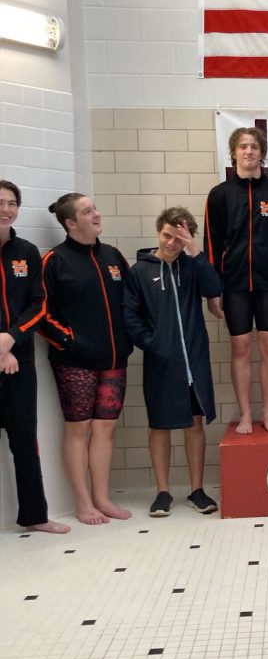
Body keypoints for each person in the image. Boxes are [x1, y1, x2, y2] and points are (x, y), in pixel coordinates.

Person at [39, 193, 133, 525]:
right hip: (74, 361)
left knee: (106, 429)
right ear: (70, 222)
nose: (96, 214)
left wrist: (129, 338)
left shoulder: (112, 256)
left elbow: (129, 302)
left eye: (95, 208)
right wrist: (68, 341)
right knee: (78, 430)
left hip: (113, 358)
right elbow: (40, 312)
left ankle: (102, 498)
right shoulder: (55, 260)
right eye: (87, 211)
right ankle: (83, 503)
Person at [124, 207, 222, 517]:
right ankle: (163, 491)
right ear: (158, 232)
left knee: (194, 422)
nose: (171, 243)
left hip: (193, 359)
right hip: (160, 360)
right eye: (168, 236)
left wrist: (196, 252)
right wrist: (152, 344)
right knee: (160, 425)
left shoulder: (192, 267)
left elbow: (214, 288)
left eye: (178, 239)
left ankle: (196, 489)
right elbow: (129, 315)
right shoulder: (139, 271)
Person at [204, 127, 268, 433]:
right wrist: (212, 290)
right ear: (234, 153)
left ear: (261, 153)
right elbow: (211, 244)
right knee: (241, 346)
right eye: (243, 146)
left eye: (254, 147)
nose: (249, 151)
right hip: (233, 285)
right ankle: (246, 414)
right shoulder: (219, 195)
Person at [0, 180, 70, 534]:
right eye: (0, 202)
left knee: (25, 440)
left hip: (18, 361)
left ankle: (34, 515)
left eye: (12, 203)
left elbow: (38, 304)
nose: (6, 208)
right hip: (3, 356)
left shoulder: (26, 252)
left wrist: (10, 340)